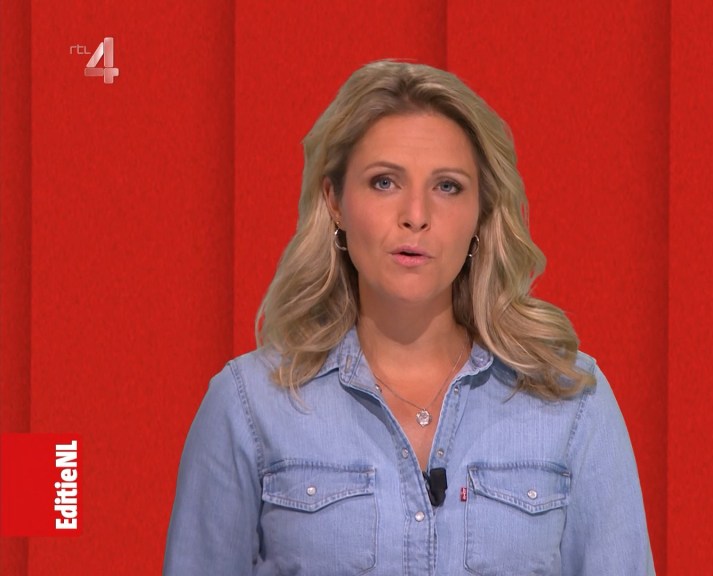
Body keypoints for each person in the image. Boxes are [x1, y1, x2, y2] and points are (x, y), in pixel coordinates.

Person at [164, 59, 654, 575]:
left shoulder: (571, 400)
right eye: (384, 182)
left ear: (482, 213)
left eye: (447, 186)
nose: (415, 215)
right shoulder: (249, 404)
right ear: (335, 202)